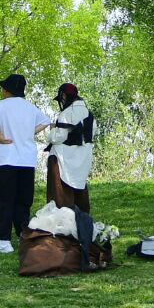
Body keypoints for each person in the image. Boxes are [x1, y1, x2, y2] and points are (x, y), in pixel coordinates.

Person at [0, 73, 50, 254]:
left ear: (7, 90)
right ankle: (23, 235)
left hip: (6, 159)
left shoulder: (1, 106)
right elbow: (46, 121)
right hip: (27, 160)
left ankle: (4, 241)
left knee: (5, 200)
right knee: (23, 200)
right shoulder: (30, 108)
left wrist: (0, 136)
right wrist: (29, 133)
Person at [44, 83, 95, 214]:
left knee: (61, 193)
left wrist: (52, 130)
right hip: (82, 158)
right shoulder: (89, 114)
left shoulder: (67, 113)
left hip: (62, 159)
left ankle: (63, 224)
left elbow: (58, 137)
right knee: (80, 191)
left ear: (64, 96)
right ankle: (81, 221)